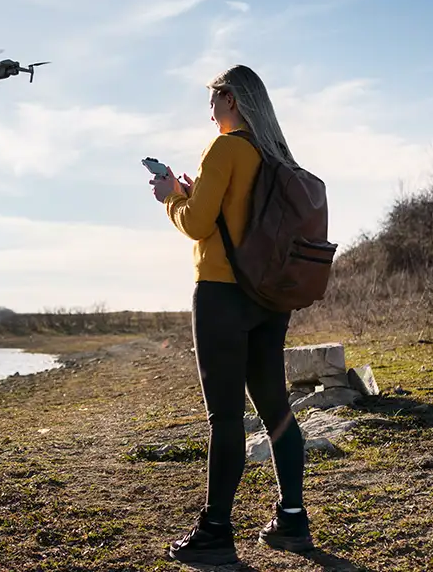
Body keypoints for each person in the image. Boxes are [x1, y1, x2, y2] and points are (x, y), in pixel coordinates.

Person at [149, 64, 315, 565]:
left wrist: (170, 199)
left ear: (233, 100)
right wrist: (196, 192)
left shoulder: (224, 148)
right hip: (268, 296)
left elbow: (200, 224)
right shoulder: (273, 154)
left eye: (215, 96)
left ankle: (216, 532)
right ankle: (292, 520)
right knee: (275, 407)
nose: (211, 105)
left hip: (222, 292)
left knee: (225, 416)